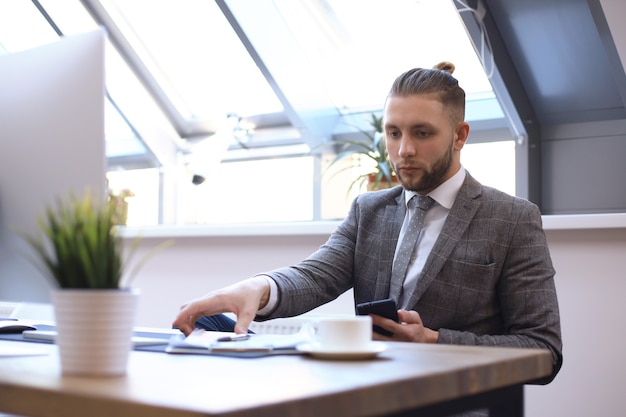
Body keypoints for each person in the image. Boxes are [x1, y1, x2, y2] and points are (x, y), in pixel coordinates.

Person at [173, 62, 563, 383]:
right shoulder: (369, 210)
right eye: (393, 133)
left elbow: (544, 351)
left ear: (460, 136)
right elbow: (315, 276)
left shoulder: (513, 219)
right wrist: (257, 288)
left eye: (422, 133)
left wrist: (435, 341)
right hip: (368, 396)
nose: (404, 150)